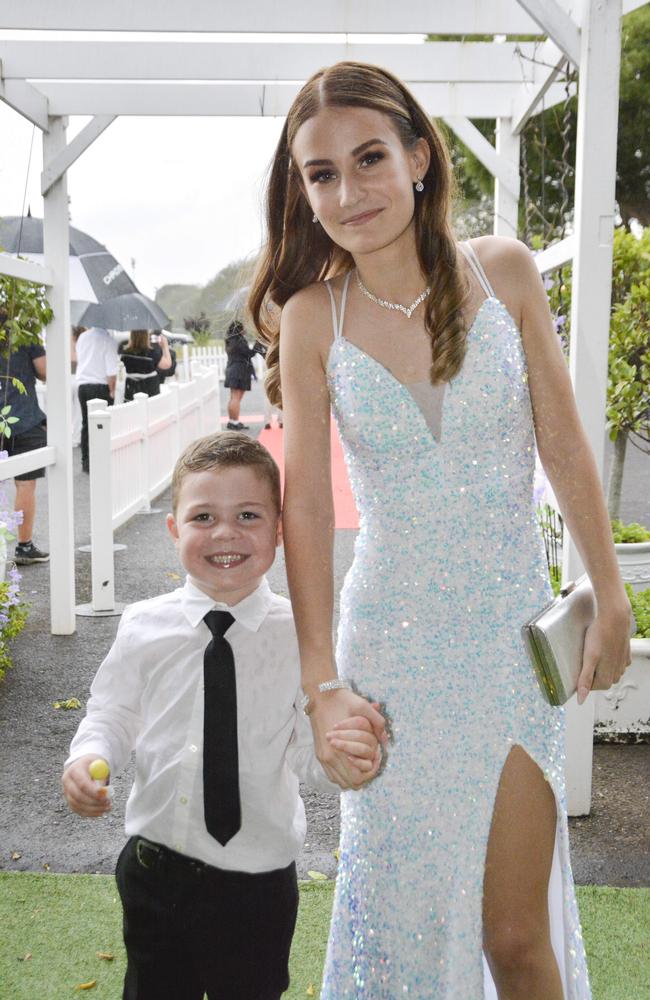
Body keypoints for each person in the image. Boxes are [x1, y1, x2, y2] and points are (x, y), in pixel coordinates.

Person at [249, 61, 633, 999]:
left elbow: (564, 442)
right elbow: (304, 506)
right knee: (401, 930)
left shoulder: (500, 271)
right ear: (303, 192)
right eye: (323, 173)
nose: (349, 190)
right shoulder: (310, 317)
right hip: (389, 652)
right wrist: (321, 687)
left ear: (421, 156)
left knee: (514, 935)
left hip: (509, 642)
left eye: (370, 157)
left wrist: (610, 587)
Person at [61, 431, 381, 1000]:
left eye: (248, 515)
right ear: (173, 529)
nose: (225, 533)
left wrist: (345, 753)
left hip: (257, 881)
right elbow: (111, 713)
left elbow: (307, 753)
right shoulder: (143, 625)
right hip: (155, 866)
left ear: (278, 532)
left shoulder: (301, 639)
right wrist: (89, 757)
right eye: (203, 516)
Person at [0, 342, 49, 564]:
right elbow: (45, 372)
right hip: (24, 419)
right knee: (25, 484)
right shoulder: (24, 334)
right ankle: (24, 546)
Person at [75, 326, 120, 474]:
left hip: (83, 386)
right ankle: (101, 461)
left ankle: (86, 462)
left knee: (86, 424)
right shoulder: (108, 340)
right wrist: (112, 391)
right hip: (100, 386)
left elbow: (80, 358)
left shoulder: (82, 337)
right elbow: (111, 372)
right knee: (102, 426)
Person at [223, 319, 264, 430]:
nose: (245, 328)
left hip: (232, 369)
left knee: (233, 397)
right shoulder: (239, 340)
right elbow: (249, 354)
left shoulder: (230, 340)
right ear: (239, 329)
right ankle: (234, 422)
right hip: (239, 371)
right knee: (236, 398)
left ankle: (232, 421)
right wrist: (257, 343)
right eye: (244, 327)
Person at [119, 328, 172, 401]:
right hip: (150, 393)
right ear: (146, 337)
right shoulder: (151, 353)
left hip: (131, 391)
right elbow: (167, 365)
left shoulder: (125, 353)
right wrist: (165, 347)